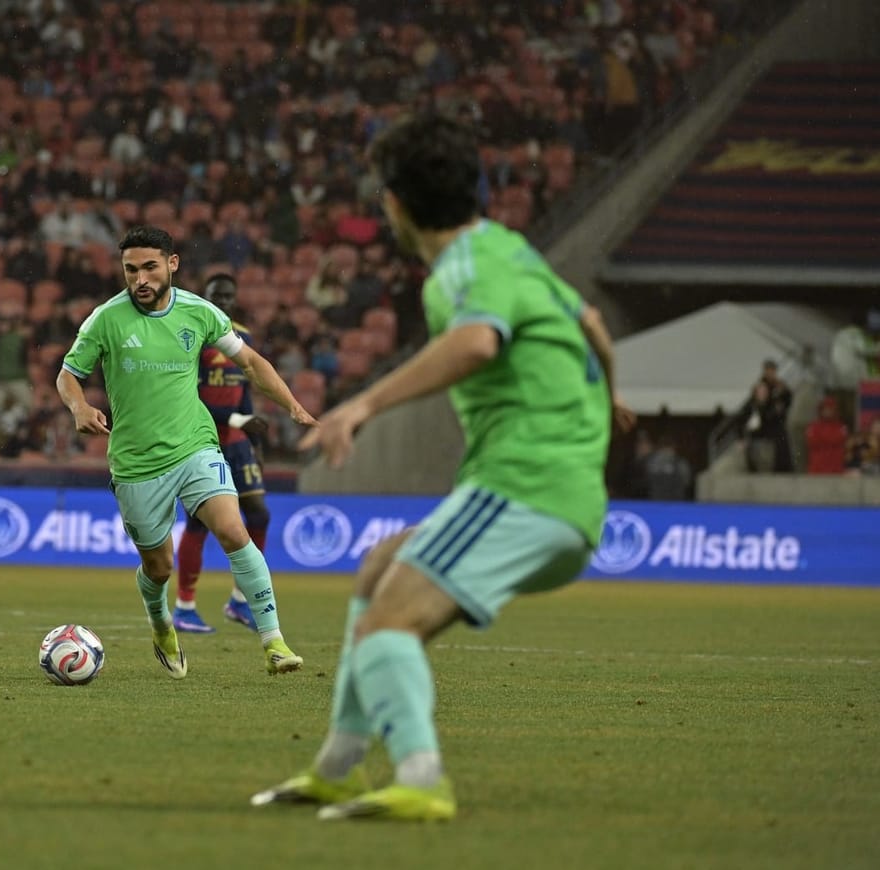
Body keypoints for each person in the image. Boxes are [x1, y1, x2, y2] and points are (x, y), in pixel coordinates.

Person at [251, 113, 634, 821]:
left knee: (387, 626)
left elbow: (477, 343)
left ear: (394, 203)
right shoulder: (512, 249)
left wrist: (362, 406)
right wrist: (607, 408)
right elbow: (595, 327)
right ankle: (336, 767)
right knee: (379, 569)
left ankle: (421, 779)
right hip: (561, 489)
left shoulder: (461, 268)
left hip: (525, 487)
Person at [56, 226, 317, 678]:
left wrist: (292, 404)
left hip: (195, 446)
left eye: (149, 267)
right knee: (159, 567)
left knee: (234, 531)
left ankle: (274, 642)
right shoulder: (105, 319)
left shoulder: (199, 312)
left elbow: (250, 362)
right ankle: (162, 624)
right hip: (136, 463)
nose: (140, 279)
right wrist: (79, 407)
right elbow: (67, 374)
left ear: (172, 264)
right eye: (131, 270)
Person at [172, 273, 269, 634]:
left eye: (228, 296)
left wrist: (255, 443)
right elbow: (188, 400)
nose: (223, 301)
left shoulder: (243, 337)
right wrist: (239, 420)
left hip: (237, 442)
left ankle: (240, 601)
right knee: (199, 522)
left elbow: (245, 392)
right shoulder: (191, 337)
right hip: (201, 439)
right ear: (205, 296)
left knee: (258, 514)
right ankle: (184, 607)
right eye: (216, 295)